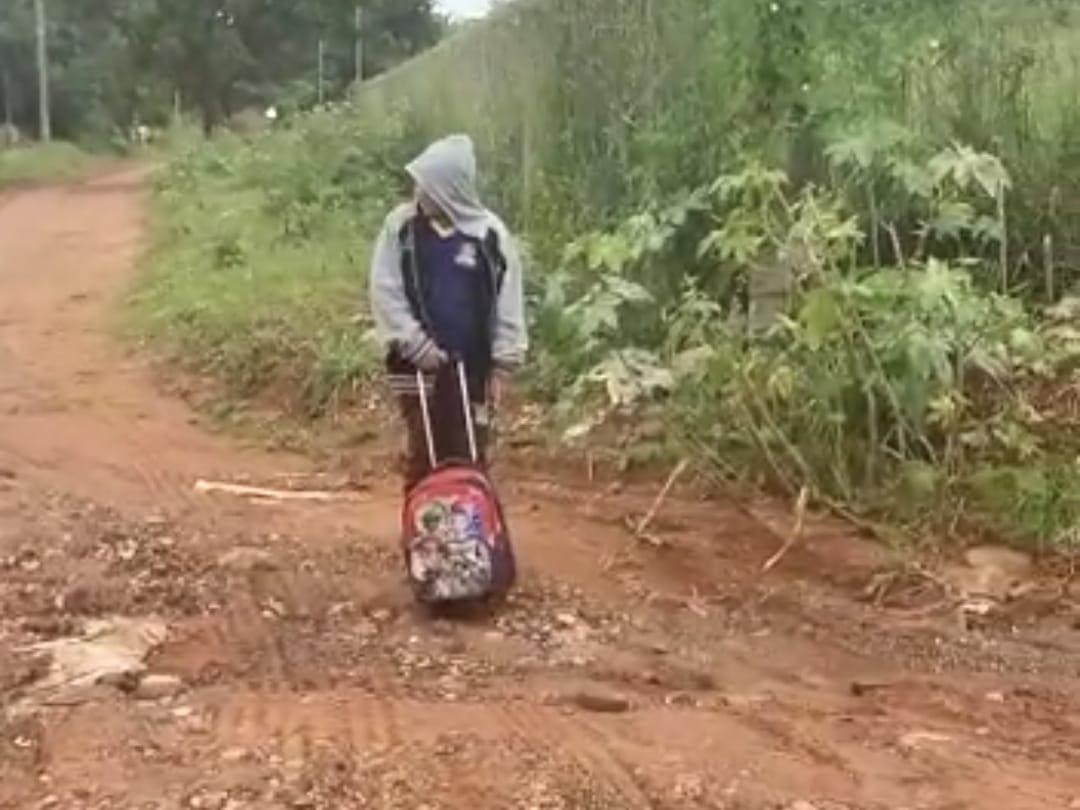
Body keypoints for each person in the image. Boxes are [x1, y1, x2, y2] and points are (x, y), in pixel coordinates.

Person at [369, 134, 528, 491]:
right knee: (425, 451)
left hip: (473, 366)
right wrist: (414, 344)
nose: (417, 194)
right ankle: (424, 535)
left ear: (447, 189)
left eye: (426, 187)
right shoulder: (401, 228)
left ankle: (470, 533)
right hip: (415, 365)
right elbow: (386, 289)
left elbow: (507, 299)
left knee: (470, 449)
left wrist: (504, 362)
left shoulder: (490, 235)